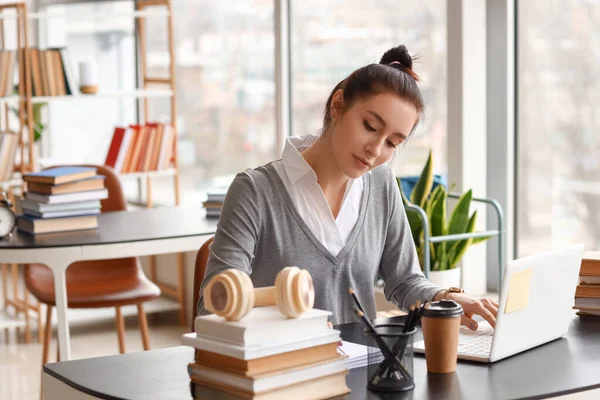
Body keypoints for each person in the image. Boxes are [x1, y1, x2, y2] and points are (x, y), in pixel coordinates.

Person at [197, 45, 498, 330]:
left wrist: (446, 297)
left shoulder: (381, 185)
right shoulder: (256, 192)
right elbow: (213, 310)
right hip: (283, 373)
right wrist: (288, 330)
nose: (375, 150)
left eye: (392, 143)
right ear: (338, 104)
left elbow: (404, 281)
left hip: (364, 373)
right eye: (370, 126)